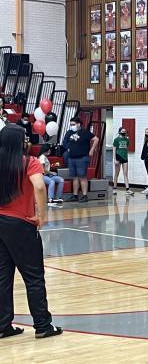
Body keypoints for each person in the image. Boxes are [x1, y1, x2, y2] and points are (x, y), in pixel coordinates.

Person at [0, 125, 62, 339]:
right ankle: (43, 326)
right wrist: (42, 215)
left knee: (2, 276)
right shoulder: (29, 161)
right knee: (34, 277)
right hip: (21, 224)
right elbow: (39, 186)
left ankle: (3, 325)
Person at [61, 117, 99, 203]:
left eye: (73, 125)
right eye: (71, 125)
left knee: (82, 176)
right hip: (72, 157)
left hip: (82, 157)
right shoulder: (69, 132)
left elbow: (96, 139)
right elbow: (65, 142)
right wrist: (68, 148)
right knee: (74, 177)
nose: (72, 126)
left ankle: (85, 195)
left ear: (78, 124)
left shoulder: (85, 132)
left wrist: (92, 149)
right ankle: (75, 195)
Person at [113, 127, 133, 195]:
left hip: (125, 158)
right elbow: (114, 150)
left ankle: (127, 189)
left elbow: (126, 148)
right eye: (122, 131)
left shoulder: (127, 140)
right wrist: (115, 159)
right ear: (119, 132)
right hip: (118, 157)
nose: (124, 132)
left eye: (125, 131)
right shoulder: (116, 140)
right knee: (116, 174)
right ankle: (115, 188)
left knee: (125, 174)